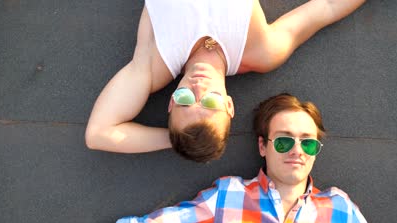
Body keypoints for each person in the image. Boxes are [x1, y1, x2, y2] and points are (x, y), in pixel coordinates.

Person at [11, 93, 397, 223]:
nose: (296, 150)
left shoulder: (339, 210)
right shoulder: (228, 199)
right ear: (262, 145)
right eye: (285, 139)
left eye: (308, 143)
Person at [84, 0, 366, 162]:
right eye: (209, 102)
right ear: (229, 105)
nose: (198, 88)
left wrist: (177, 141)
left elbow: (98, 133)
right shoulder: (261, 51)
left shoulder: (152, 61)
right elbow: (326, 7)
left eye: (185, 100)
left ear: (171, 101)